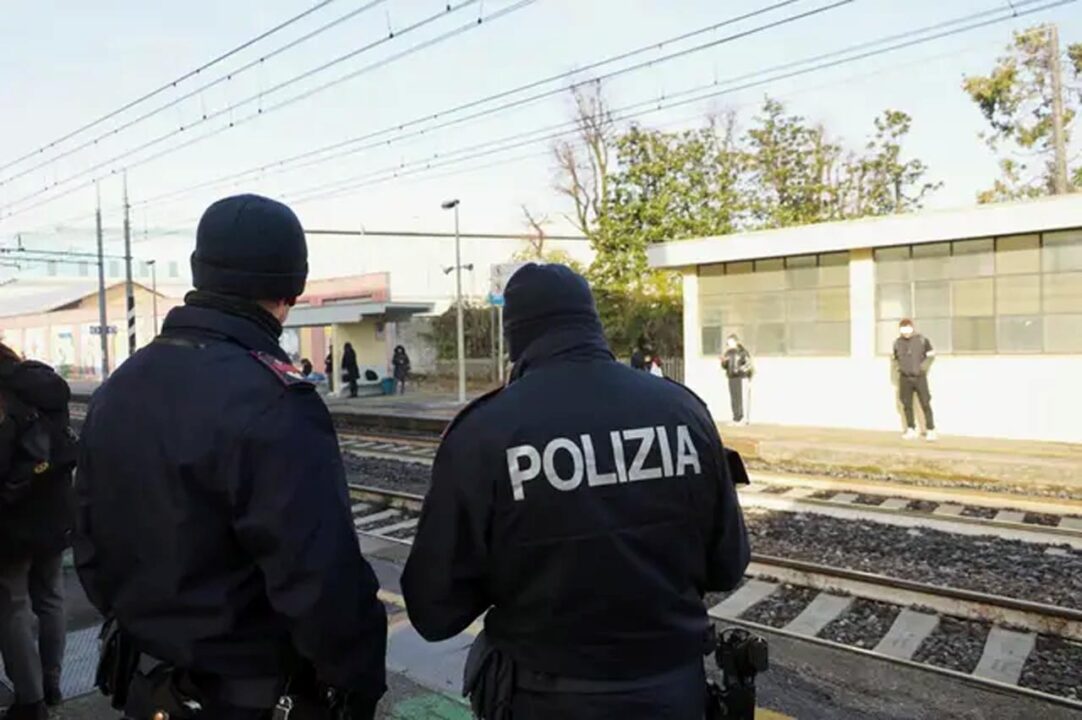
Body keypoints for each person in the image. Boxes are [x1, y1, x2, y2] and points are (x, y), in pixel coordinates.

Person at [74, 194, 387, 719]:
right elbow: (320, 583)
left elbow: (87, 541)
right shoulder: (275, 403)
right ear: (291, 288)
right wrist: (357, 682)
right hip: (248, 694)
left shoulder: (118, 389)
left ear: (201, 273)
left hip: (147, 685)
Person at [401, 264, 750, 720]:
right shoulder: (683, 411)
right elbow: (728, 565)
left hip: (543, 698)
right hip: (673, 694)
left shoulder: (485, 433)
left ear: (515, 337)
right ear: (592, 322)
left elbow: (433, 609)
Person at [0, 342, 76, 720]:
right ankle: (52, 682)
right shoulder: (45, 385)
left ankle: (29, 702)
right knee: (50, 596)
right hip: (54, 511)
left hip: (11, 517)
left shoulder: (4, 398)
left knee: (12, 604)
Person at [893, 318, 937, 441]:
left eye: (908, 329)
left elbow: (931, 355)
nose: (906, 332)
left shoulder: (922, 340)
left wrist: (923, 367)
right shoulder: (897, 343)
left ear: (912, 328)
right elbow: (895, 358)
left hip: (919, 377)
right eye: (903, 330)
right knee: (906, 404)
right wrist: (899, 368)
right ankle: (911, 429)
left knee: (925, 403)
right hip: (904, 378)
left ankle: (930, 429)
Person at [721, 335, 753, 425]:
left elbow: (748, 363)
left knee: (741, 397)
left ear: (736, 342)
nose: (729, 344)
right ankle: (736, 418)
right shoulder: (728, 353)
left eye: (730, 342)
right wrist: (723, 362)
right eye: (728, 342)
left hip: (741, 377)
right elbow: (725, 366)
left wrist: (743, 371)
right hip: (731, 377)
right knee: (734, 398)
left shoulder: (742, 352)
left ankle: (743, 418)